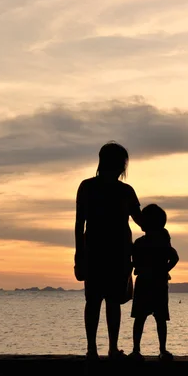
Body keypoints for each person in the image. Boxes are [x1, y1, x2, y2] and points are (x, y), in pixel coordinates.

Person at [74, 141, 142, 361]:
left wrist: (79, 254)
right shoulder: (120, 190)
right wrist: (79, 255)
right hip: (108, 251)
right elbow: (79, 224)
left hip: (110, 252)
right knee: (103, 301)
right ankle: (100, 349)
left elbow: (78, 225)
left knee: (101, 301)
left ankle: (99, 349)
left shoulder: (90, 187)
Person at [129, 204, 179, 362]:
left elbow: (134, 261)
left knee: (143, 318)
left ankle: (138, 350)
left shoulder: (141, 243)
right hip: (157, 283)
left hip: (148, 283)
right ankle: (160, 350)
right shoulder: (162, 243)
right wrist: (165, 269)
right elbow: (175, 258)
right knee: (158, 319)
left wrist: (162, 269)